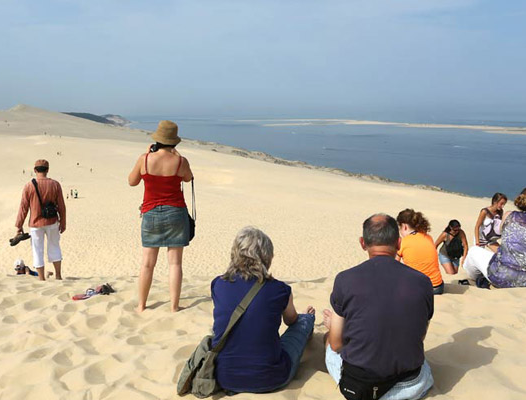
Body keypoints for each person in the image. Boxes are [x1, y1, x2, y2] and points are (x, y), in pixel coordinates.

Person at [323, 214, 434, 400]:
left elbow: (336, 344)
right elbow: (420, 336)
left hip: (358, 385)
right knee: (425, 364)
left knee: (328, 341)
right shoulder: (423, 282)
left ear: (362, 243)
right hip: (408, 385)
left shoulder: (345, 279)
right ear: (398, 243)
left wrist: (335, 326)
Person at [210, 227, 315, 393]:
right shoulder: (280, 289)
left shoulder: (218, 284)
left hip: (224, 377)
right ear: (266, 257)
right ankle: (310, 321)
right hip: (270, 377)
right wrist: (304, 319)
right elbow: (291, 320)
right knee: (303, 321)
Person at [128, 120, 194, 312]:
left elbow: (132, 181)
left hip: (151, 213)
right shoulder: (181, 161)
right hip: (176, 212)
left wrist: (148, 155)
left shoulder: (145, 159)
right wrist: (178, 156)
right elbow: (188, 178)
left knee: (148, 263)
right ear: (174, 142)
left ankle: (141, 305)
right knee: (175, 263)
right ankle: (174, 306)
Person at [464, 187, 526, 288]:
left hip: (505, 277)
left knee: (473, 251)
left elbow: (502, 233)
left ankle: (476, 278)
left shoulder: (508, 215)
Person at [15, 159, 66, 281]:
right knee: (54, 246)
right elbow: (61, 205)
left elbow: (23, 207)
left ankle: (41, 278)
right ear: (47, 170)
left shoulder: (29, 186)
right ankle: (58, 276)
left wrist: (19, 225)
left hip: (35, 223)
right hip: (52, 222)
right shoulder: (55, 184)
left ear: (35, 170)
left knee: (37, 250)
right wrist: (63, 222)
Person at [396, 209, 444, 294]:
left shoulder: (404, 242)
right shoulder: (428, 237)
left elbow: (394, 265)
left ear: (404, 226)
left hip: (418, 288)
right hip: (438, 286)